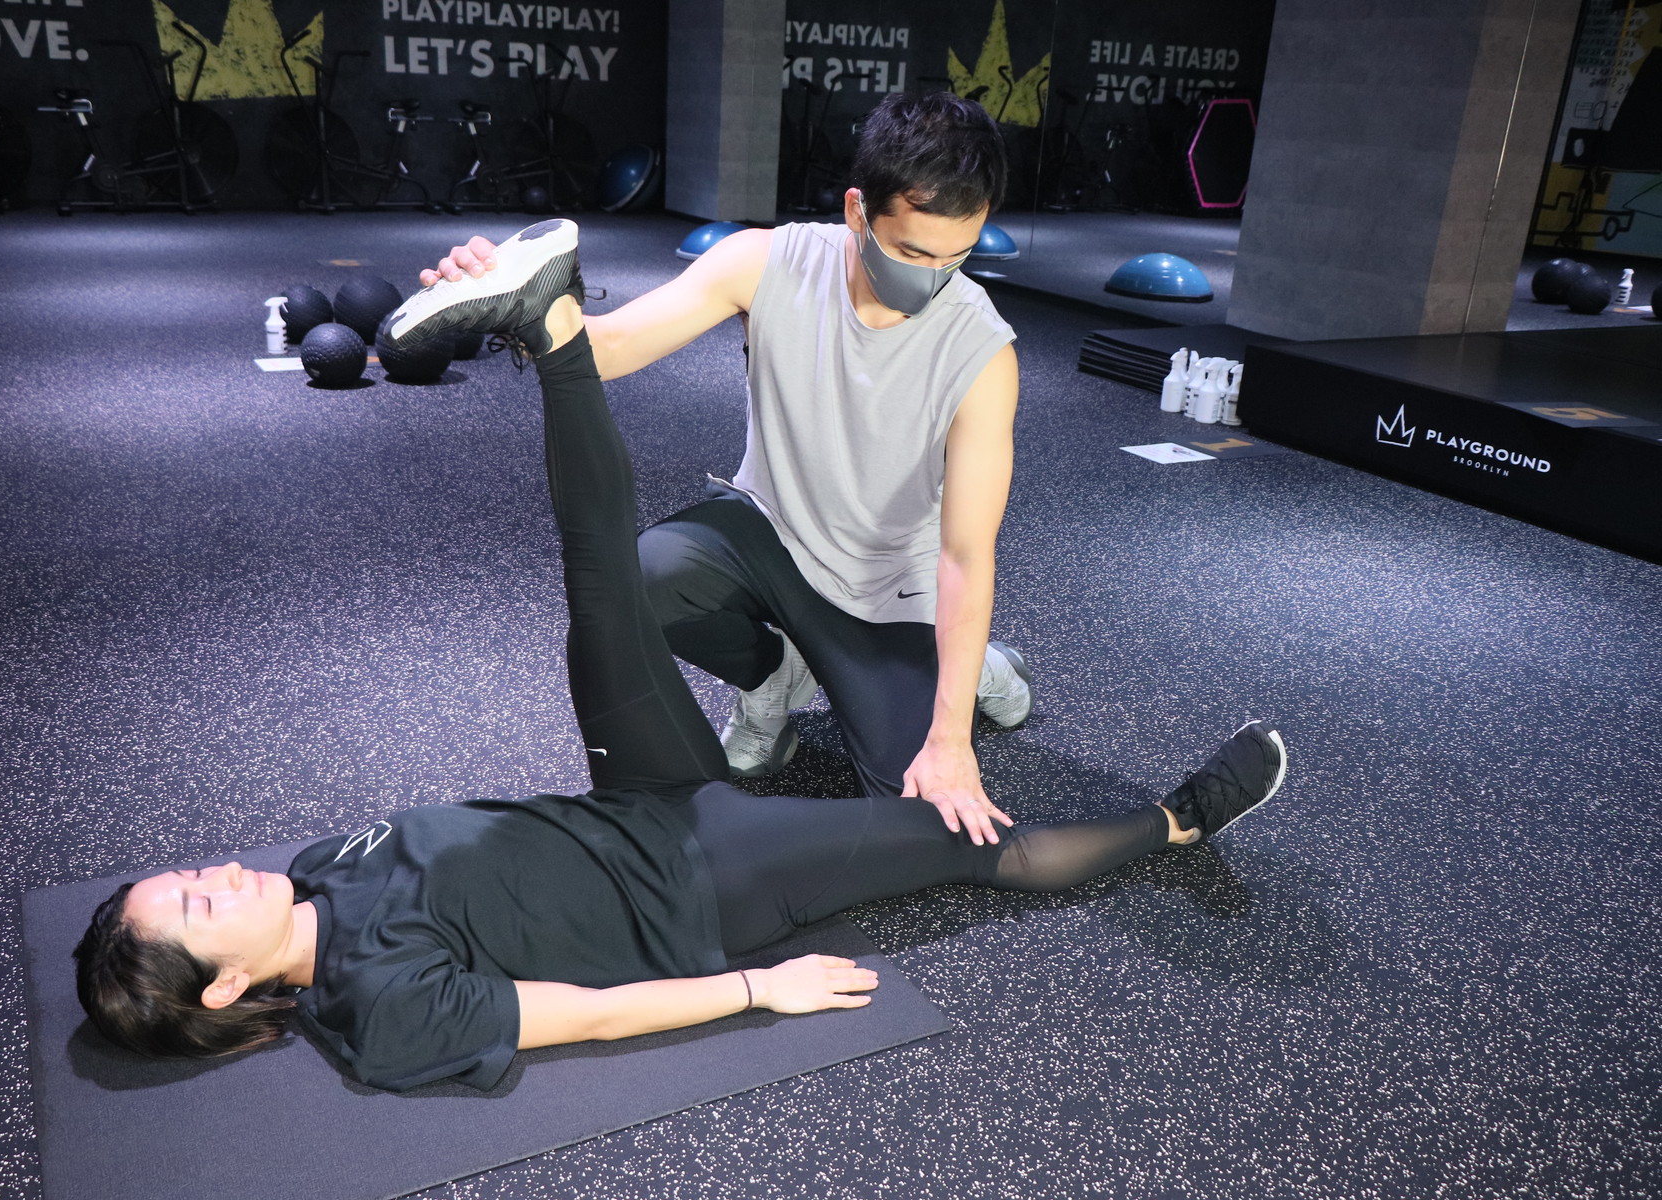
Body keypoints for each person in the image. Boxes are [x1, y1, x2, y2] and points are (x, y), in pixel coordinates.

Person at [75, 223, 1287, 1093]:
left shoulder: (314, 870)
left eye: (191, 873)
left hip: (636, 795)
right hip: (704, 881)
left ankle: (547, 319)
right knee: (972, 841)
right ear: (223, 988)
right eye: (201, 903)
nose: (221, 873)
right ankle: (1179, 820)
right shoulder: (379, 1009)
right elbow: (582, 1018)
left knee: (601, 578)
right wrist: (760, 990)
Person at [417, 92, 1027, 847]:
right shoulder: (764, 263)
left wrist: (951, 740)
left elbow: (965, 556)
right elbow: (610, 348)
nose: (931, 279)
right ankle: (771, 673)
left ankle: (971, 667)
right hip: (770, 533)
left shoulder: (983, 354)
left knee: (919, 819)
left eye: (955, 257)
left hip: (888, 589)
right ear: (857, 212)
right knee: (639, 579)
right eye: (911, 253)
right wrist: (514, 303)